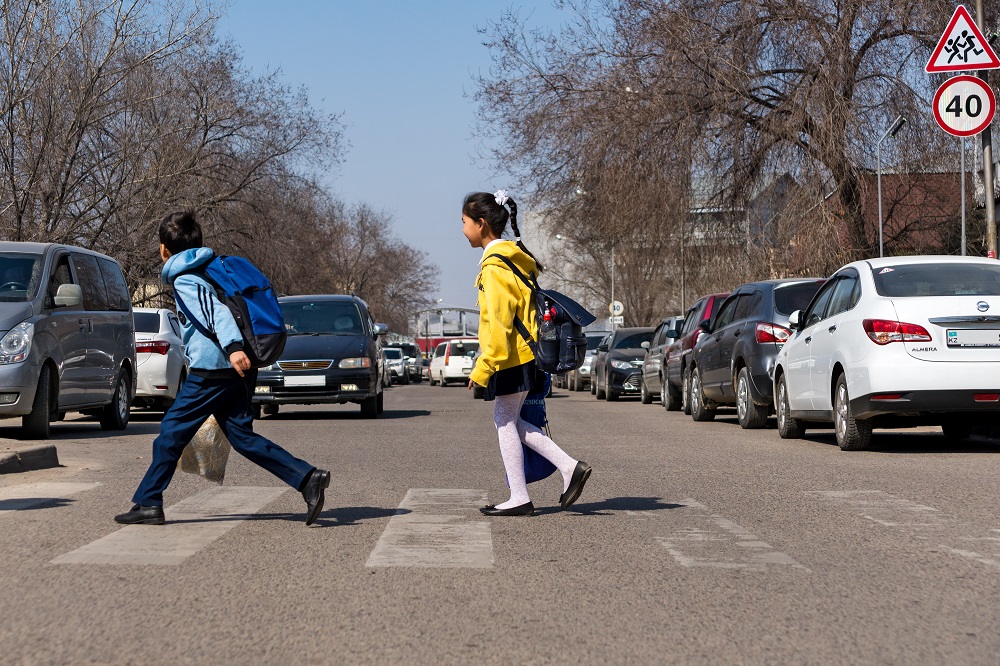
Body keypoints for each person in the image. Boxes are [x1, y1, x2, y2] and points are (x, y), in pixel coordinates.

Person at [114, 211, 330, 526]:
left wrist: (233, 349)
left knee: (170, 434)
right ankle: (307, 478)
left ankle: (149, 502)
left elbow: (217, 314)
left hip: (212, 371)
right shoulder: (211, 269)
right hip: (233, 370)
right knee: (242, 437)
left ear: (164, 250)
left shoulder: (186, 278)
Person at [463, 190, 591, 516]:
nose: (461, 229)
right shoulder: (513, 258)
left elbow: (498, 323)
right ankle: (564, 469)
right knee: (510, 420)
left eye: (464, 222)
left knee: (504, 421)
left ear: (481, 224)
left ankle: (529, 491)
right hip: (526, 355)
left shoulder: (494, 267)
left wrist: (483, 368)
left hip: (510, 357)